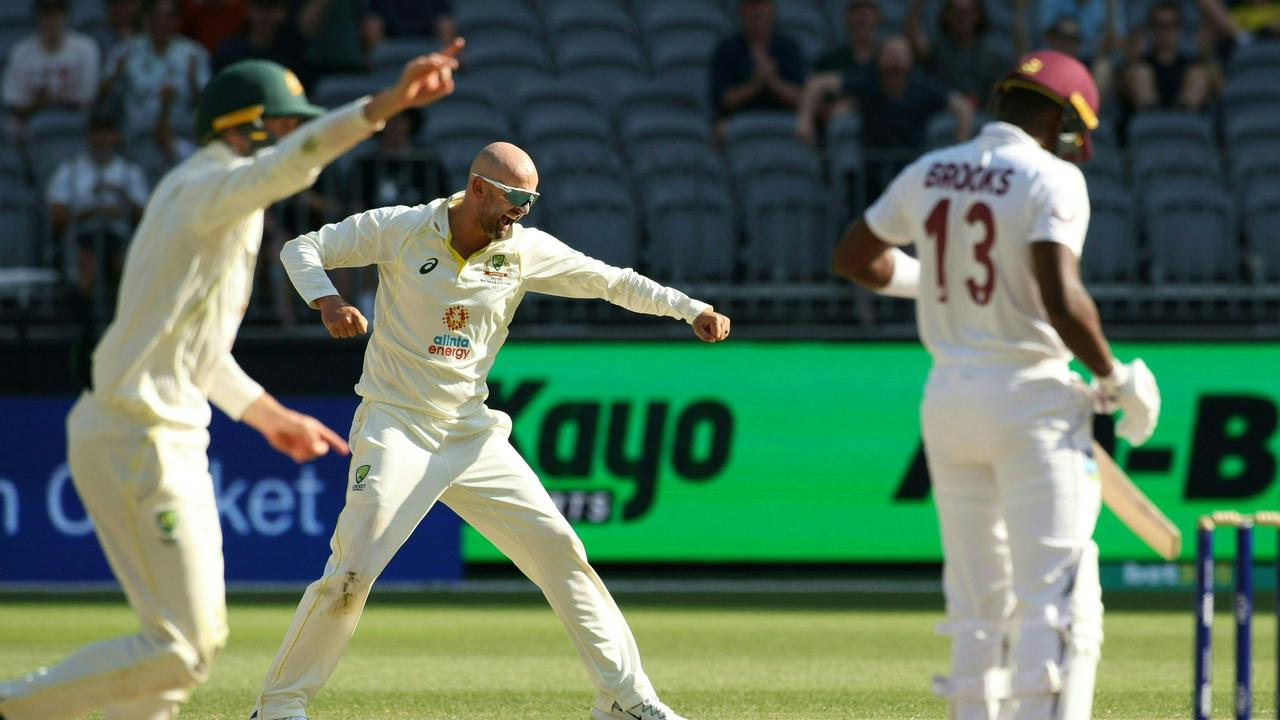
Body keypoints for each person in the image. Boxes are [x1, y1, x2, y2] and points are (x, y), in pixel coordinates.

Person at [0, 42, 464, 720]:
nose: (290, 137)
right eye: (281, 123)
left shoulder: (213, 201)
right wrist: (385, 105)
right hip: (140, 437)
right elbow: (295, 160)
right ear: (245, 127)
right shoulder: (205, 189)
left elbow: (196, 349)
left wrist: (269, 416)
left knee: (168, 658)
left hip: (145, 431)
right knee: (187, 649)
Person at [248, 141, 729, 720]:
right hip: (396, 423)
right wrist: (326, 301)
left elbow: (611, 281)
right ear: (478, 188)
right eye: (515, 199)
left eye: (532, 200)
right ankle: (279, 705)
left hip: (472, 435)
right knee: (352, 569)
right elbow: (302, 247)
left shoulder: (523, 250)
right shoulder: (402, 228)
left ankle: (625, 698)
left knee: (561, 551)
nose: (522, 212)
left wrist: (689, 307)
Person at [830, 50, 1161, 720]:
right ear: (1062, 117)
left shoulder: (932, 169)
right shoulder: (1052, 177)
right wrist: (1113, 377)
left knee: (978, 602)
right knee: (1059, 598)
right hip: (1031, 402)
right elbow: (1061, 296)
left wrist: (930, 281)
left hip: (948, 401)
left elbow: (854, 256)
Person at [798, 35, 974, 200]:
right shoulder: (868, 83)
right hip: (872, 177)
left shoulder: (923, 87)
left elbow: (963, 107)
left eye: (900, 54)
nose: (895, 60)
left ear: (910, 60)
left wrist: (961, 148)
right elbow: (818, 84)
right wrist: (805, 121)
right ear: (879, 59)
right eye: (890, 54)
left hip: (910, 174)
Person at [46, 111, 149, 306]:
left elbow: (145, 216)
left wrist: (122, 201)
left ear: (117, 136)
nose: (103, 139)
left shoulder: (129, 172)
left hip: (120, 237)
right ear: (88, 136)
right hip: (80, 237)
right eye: (98, 132)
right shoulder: (70, 170)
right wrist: (91, 212)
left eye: (108, 132)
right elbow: (56, 216)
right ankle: (83, 329)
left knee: (125, 263)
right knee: (86, 265)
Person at [101, 0, 210, 140]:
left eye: (169, 17)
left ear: (178, 21)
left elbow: (205, 104)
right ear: (147, 19)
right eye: (157, 16)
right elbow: (102, 96)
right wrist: (116, 76)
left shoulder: (194, 54)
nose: (163, 22)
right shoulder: (126, 51)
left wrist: (192, 81)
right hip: (137, 138)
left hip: (181, 136)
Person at [709, 0, 806, 125]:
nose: (757, 12)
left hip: (783, 118)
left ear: (772, 9)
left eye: (762, 5)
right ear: (741, 11)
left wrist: (773, 82)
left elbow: (800, 98)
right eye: (751, 6)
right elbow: (724, 100)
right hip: (739, 119)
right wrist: (756, 83)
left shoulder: (788, 48)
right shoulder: (727, 49)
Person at [2, 0, 99, 122]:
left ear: (66, 15)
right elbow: (13, 101)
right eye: (46, 14)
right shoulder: (20, 52)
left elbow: (88, 97)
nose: (52, 20)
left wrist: (49, 100)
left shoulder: (86, 48)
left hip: (77, 120)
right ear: (37, 16)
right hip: (31, 121)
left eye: (57, 14)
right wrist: (40, 103)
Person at [906, 0, 1012, 105]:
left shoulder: (991, 53)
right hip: (944, 112)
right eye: (956, 12)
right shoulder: (938, 48)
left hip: (982, 113)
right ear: (947, 15)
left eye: (967, 12)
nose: (962, 18)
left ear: (978, 15)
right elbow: (912, 34)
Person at [1123, 1, 1215, 113]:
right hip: (1147, 118)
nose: (1165, 33)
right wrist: (1131, 59)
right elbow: (1120, 91)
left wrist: (1206, 55)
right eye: (1159, 26)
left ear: (1179, 29)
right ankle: (1152, 115)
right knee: (1139, 73)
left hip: (1187, 121)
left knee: (1199, 74)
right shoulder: (1139, 65)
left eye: (1171, 26)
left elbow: (1220, 89)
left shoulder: (1193, 66)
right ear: (1150, 30)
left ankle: (1182, 116)